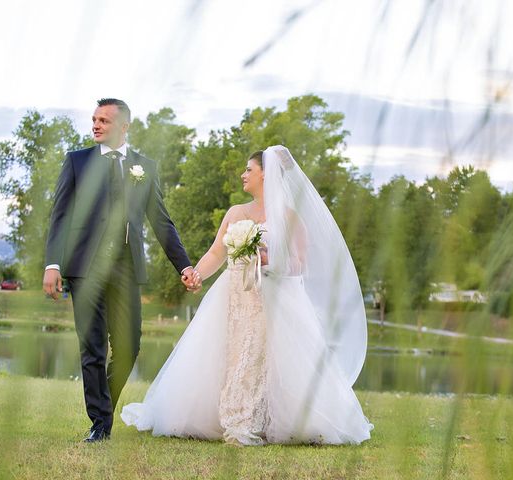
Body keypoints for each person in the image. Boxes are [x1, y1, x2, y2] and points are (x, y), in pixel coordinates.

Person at [122, 145, 372, 445]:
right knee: (228, 354)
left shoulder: (290, 217)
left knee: (266, 359)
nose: (243, 175)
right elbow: (217, 252)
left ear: (266, 174)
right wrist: (196, 273)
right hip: (233, 295)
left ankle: (259, 419)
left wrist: (271, 261)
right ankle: (227, 415)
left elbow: (299, 264)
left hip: (274, 298)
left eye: (249, 170)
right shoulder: (236, 212)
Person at [43, 98, 200, 443]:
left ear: (124, 127)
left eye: (104, 121)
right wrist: (53, 263)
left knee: (129, 347)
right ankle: (100, 425)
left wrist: (184, 265)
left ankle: (104, 410)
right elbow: (60, 216)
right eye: (94, 119)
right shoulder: (77, 162)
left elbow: (162, 222)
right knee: (93, 348)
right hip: (84, 269)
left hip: (127, 269)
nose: (96, 125)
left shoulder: (144, 167)